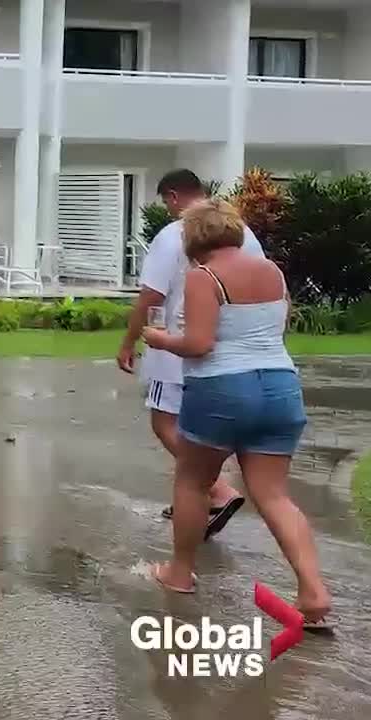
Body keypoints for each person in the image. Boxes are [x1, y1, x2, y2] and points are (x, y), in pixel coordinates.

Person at [141, 198, 330, 626]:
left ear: (193, 239)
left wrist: (161, 339)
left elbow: (200, 344)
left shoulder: (203, 277)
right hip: (281, 386)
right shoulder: (273, 272)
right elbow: (272, 332)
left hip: (223, 389)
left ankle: (179, 573)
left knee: (193, 481)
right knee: (275, 495)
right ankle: (313, 591)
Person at [118, 169, 263, 538]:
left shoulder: (173, 235)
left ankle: (214, 490)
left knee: (165, 424)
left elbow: (152, 295)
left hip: (179, 346)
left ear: (172, 197)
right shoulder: (244, 234)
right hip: (232, 351)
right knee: (201, 431)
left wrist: (128, 341)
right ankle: (195, 498)